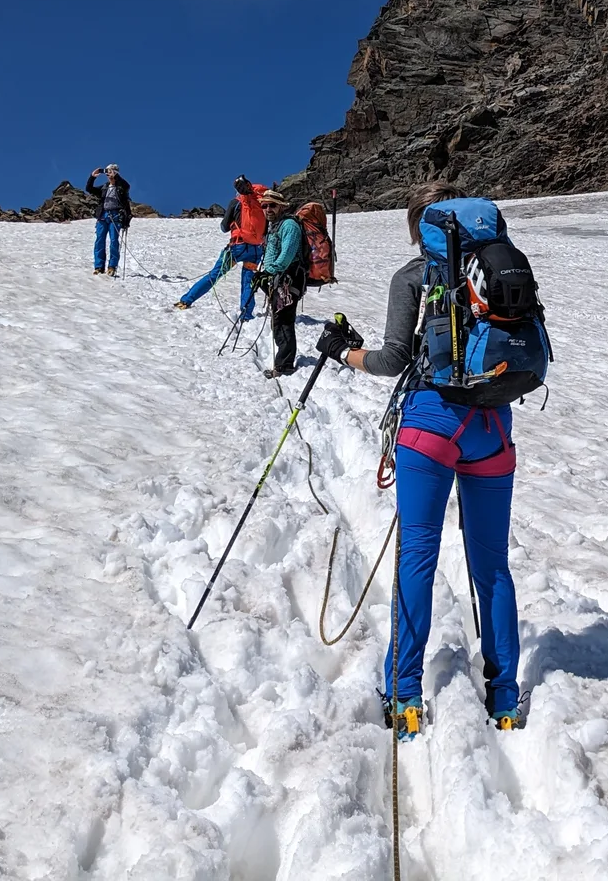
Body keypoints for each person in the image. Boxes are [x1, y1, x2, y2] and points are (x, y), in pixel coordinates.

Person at [316, 181, 523, 736]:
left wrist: (342, 352)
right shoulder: (495, 268)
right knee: (492, 566)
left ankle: (405, 692)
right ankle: (505, 699)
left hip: (430, 423)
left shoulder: (412, 275)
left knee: (417, 558)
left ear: (421, 227)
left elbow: (392, 359)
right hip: (492, 426)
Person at [175, 176, 268, 315]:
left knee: (214, 275)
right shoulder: (262, 203)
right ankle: (246, 314)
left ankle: (186, 300)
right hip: (255, 249)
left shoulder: (236, 202)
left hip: (237, 247)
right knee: (248, 281)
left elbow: (224, 227)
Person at [254, 190, 308, 376]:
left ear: (282, 207)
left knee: (283, 321)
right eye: (264, 205)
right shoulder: (275, 227)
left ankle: (284, 366)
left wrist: (268, 272)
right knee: (279, 320)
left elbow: (287, 254)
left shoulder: (289, 225)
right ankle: (284, 363)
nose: (268, 209)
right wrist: (264, 277)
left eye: (272, 205)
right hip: (279, 279)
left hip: (289, 278)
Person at [86, 164, 132, 276]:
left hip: (116, 215)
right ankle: (99, 267)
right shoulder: (104, 187)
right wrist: (92, 177)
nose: (109, 174)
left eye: (111, 171)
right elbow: (89, 189)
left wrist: (116, 176)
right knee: (99, 240)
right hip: (103, 215)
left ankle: (112, 266)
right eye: (107, 172)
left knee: (114, 241)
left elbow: (126, 186)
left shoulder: (122, 186)